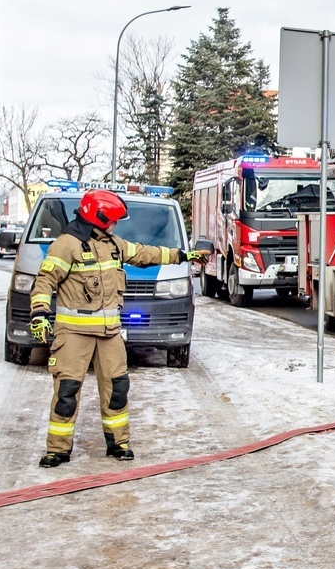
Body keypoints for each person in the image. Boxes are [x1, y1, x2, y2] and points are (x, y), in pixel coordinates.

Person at [28, 189, 209, 468]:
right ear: (98, 218)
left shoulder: (114, 244)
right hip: (73, 334)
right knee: (67, 392)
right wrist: (39, 313)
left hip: (109, 333)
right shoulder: (66, 245)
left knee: (117, 389)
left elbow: (146, 253)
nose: (115, 225)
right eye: (112, 220)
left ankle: (118, 444)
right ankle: (57, 450)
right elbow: (44, 281)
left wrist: (183, 255)